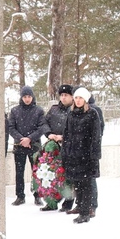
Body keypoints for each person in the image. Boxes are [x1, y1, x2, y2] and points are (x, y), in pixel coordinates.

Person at [65, 88, 103, 224]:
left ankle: (86, 212)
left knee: (86, 185)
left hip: (86, 156)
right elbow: (67, 135)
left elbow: (96, 137)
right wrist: (66, 152)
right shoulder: (71, 114)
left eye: (81, 98)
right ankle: (80, 207)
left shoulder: (92, 114)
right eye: (76, 98)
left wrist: (94, 156)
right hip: (73, 155)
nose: (78, 100)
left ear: (85, 99)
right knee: (77, 184)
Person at [6, 86, 46, 206]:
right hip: (19, 146)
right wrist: (21, 139)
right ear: (21, 97)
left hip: (34, 145)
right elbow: (11, 128)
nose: (27, 99)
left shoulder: (39, 111)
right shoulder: (14, 111)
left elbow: (42, 127)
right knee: (19, 172)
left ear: (32, 97)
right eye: (25, 97)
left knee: (37, 172)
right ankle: (20, 196)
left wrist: (30, 138)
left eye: (29, 96)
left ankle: (37, 195)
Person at [41, 84, 76, 212]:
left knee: (67, 175)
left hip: (68, 147)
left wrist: (63, 137)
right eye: (61, 95)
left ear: (72, 96)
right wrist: (49, 134)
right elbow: (44, 122)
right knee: (52, 174)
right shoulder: (54, 109)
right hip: (53, 146)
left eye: (66, 95)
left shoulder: (73, 110)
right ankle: (52, 200)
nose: (63, 98)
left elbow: (75, 130)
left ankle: (68, 201)